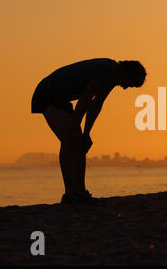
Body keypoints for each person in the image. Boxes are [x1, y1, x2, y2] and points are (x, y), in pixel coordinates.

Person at [31, 58, 146, 204]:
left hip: (61, 99)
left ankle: (80, 192)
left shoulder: (112, 78)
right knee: (70, 141)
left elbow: (96, 105)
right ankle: (69, 194)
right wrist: (75, 125)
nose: (126, 88)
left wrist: (86, 134)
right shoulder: (107, 70)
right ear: (127, 73)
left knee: (80, 143)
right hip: (46, 94)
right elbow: (85, 100)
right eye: (130, 84)